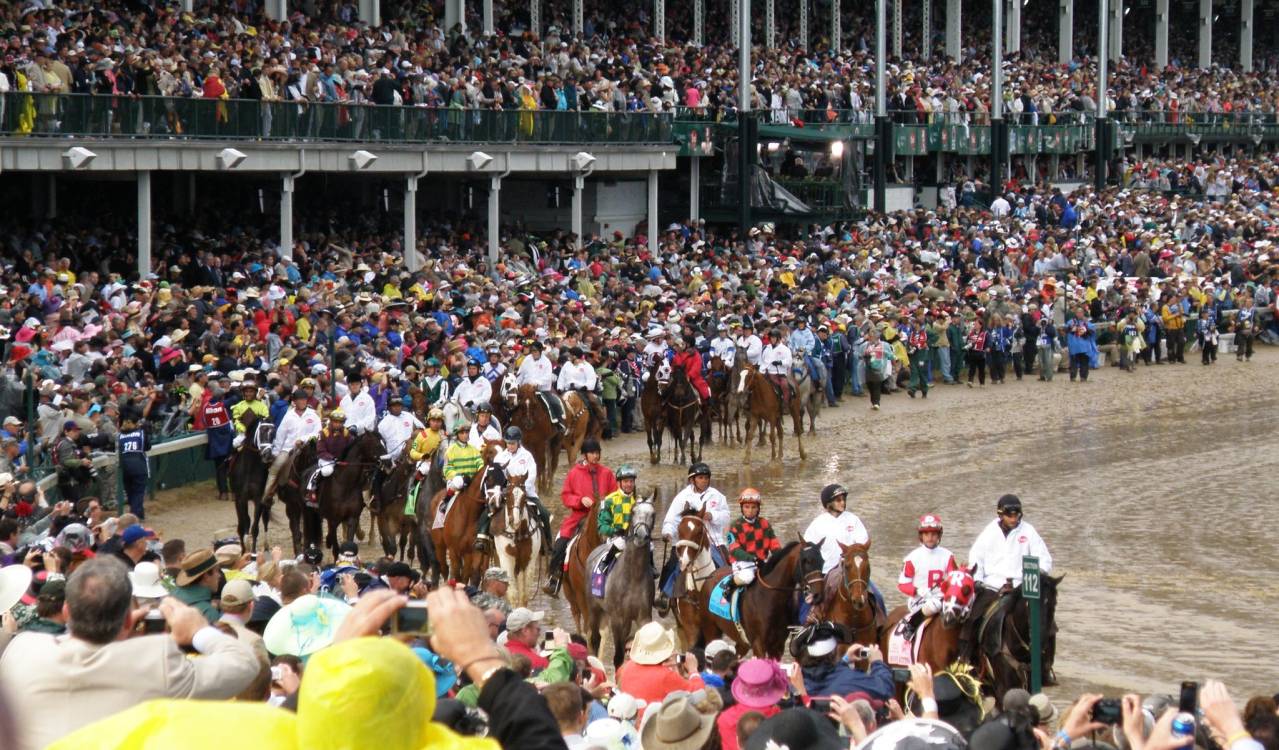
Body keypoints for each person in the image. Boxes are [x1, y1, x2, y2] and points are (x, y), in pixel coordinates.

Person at [0, 557, 259, 750]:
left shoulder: (22, 648)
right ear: (127, 620)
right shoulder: (158, 664)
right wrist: (198, 631)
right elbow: (244, 664)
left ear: (67, 611)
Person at [963, 494, 1053, 661]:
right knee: (973, 616)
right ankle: (967, 656)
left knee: (1047, 621)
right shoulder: (988, 532)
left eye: (1016, 515)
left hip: (1021, 587)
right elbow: (976, 558)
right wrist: (978, 580)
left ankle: (1046, 665)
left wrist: (1035, 576)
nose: (1013, 518)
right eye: (1009, 515)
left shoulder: (1029, 531)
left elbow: (1045, 559)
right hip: (992, 586)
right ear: (1000, 515)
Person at [544, 438, 617, 596]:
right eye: (592, 453)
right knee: (560, 543)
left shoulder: (607, 473)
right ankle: (554, 578)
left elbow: (615, 494)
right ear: (584, 455)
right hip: (579, 517)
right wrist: (580, 500)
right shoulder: (574, 473)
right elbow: (565, 496)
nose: (595, 456)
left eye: (597, 453)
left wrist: (607, 503)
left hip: (603, 517)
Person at [656, 462, 729, 612]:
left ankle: (727, 596)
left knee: (725, 565)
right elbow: (671, 519)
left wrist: (712, 515)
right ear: (692, 480)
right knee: (674, 565)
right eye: (700, 478)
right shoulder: (681, 497)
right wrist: (668, 532)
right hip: (687, 541)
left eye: (706, 478)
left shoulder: (718, 496)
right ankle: (665, 595)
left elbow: (727, 516)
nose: (704, 481)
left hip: (713, 541)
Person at [803, 484, 879, 620]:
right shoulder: (817, 524)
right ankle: (803, 625)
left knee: (877, 595)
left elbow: (862, 544)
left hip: (851, 571)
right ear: (828, 503)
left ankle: (881, 626)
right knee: (808, 601)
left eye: (843, 499)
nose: (843, 503)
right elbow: (807, 550)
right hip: (826, 572)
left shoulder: (853, 520)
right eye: (838, 500)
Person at [791, 622, 895, 701]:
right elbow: (885, 689)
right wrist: (877, 663)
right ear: (833, 653)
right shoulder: (852, 680)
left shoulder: (795, 682)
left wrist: (844, 661)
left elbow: (824, 676)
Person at [896, 514, 958, 640]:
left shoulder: (948, 556)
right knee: (934, 605)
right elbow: (902, 584)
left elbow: (955, 580)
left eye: (934, 534)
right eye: (926, 534)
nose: (930, 537)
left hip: (942, 598)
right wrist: (917, 590)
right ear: (921, 536)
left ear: (939, 535)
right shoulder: (912, 558)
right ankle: (912, 625)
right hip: (919, 600)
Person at [491, 426, 552, 553]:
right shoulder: (500, 457)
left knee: (544, 513)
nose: (510, 446)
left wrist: (522, 489)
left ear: (518, 442)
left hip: (526, 492)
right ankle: (487, 539)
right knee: (490, 512)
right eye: (508, 443)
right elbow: (497, 477)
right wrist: (504, 490)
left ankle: (547, 543)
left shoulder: (527, 456)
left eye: (513, 443)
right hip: (507, 493)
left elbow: (532, 475)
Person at [264, 390, 321, 502]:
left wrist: (303, 439)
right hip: (289, 448)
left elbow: (318, 432)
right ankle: (268, 493)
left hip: (309, 447)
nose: (302, 402)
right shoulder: (289, 415)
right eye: (299, 400)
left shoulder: (313, 415)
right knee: (276, 467)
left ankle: (317, 491)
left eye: (304, 399)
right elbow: (281, 434)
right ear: (294, 401)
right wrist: (276, 452)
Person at [725, 487, 781, 592]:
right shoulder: (734, 526)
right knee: (748, 578)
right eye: (746, 507)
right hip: (742, 563)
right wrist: (753, 559)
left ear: (758, 508)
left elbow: (774, 545)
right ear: (742, 508)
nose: (750, 511)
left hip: (761, 562)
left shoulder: (764, 523)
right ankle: (730, 585)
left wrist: (781, 556)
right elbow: (734, 550)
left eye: (753, 507)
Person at [595, 463, 641, 574]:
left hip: (635, 539)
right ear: (619, 483)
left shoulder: (638, 501)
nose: (629, 484)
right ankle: (604, 565)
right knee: (620, 543)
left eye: (631, 481)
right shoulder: (609, 500)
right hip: (615, 538)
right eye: (626, 482)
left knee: (650, 546)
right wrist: (614, 531)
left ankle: (652, 568)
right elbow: (602, 525)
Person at [308, 408, 353, 506]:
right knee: (327, 471)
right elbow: (321, 450)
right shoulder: (323, 433)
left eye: (340, 422)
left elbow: (351, 446)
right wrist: (333, 458)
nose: (338, 424)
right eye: (335, 422)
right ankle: (313, 490)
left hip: (341, 460)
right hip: (326, 459)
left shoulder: (346, 433)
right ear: (331, 421)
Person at [116, 412, 152, 520]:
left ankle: (139, 514)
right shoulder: (141, 433)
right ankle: (133, 517)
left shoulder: (120, 435)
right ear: (136, 424)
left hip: (125, 468)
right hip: (139, 466)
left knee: (131, 493)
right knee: (138, 493)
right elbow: (147, 447)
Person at [377, 395, 423, 461]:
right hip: (394, 456)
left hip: (411, 449)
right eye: (394, 406)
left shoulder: (408, 416)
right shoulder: (383, 424)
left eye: (399, 405)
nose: (397, 408)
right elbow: (380, 443)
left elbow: (422, 429)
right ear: (389, 407)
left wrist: (414, 435)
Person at [761, 327, 794, 404]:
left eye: (773, 337)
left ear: (778, 338)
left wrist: (780, 362)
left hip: (779, 373)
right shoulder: (766, 348)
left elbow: (789, 361)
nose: (772, 339)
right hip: (766, 372)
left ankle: (785, 402)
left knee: (784, 385)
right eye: (771, 337)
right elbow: (762, 361)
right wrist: (761, 369)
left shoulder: (785, 349)